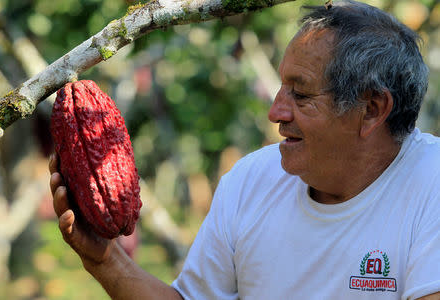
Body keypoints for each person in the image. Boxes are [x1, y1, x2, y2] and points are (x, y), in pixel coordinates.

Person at [49, 1, 440, 299]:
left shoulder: (431, 186)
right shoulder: (251, 180)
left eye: (301, 95)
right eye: (282, 88)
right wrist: (106, 261)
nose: (276, 111)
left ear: (371, 109)